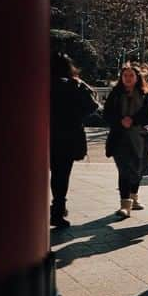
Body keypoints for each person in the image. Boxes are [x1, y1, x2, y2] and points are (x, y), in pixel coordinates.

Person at [49, 53, 100, 228]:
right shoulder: (75, 85)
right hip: (68, 136)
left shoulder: (41, 83)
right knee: (61, 176)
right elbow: (93, 106)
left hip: (44, 135)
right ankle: (58, 209)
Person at [103, 64, 148, 218]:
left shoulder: (144, 94)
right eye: (125, 75)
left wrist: (133, 120)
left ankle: (134, 197)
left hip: (138, 137)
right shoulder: (116, 93)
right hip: (119, 137)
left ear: (137, 77)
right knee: (124, 170)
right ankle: (124, 204)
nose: (127, 78)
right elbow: (106, 114)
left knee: (137, 169)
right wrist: (120, 120)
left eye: (131, 75)